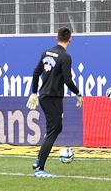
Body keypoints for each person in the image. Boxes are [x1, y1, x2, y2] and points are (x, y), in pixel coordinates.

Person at [27, 26, 83, 178]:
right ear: (70, 39)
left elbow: (36, 72)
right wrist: (78, 93)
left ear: (56, 38)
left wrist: (34, 92)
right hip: (53, 97)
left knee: (53, 129)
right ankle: (39, 167)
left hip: (44, 95)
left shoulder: (47, 52)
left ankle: (38, 160)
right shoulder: (65, 57)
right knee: (54, 129)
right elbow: (67, 79)